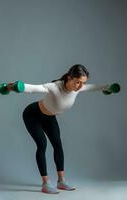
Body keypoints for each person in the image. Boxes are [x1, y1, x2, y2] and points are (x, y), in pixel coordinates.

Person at [8, 64, 109, 194]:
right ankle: (45, 183)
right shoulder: (55, 87)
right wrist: (16, 86)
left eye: (82, 83)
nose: (80, 86)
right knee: (42, 144)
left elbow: (93, 87)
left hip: (49, 117)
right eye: (77, 82)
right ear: (69, 78)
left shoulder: (79, 88)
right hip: (32, 115)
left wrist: (108, 87)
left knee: (58, 145)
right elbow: (35, 88)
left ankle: (61, 181)